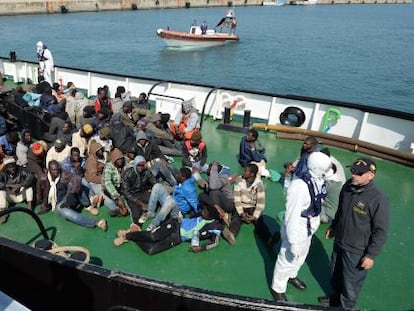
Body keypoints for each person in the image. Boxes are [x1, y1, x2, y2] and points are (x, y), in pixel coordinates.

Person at [318, 157, 389, 309]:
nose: (354, 175)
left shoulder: (378, 198)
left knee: (351, 285)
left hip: (357, 250)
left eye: (359, 173)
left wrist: (371, 255)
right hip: (340, 242)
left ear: (371, 175)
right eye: (353, 171)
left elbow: (380, 230)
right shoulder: (348, 187)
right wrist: (333, 226)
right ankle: (335, 299)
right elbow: (341, 210)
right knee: (336, 276)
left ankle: (346, 307)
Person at [270, 151, 332, 302]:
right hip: (296, 230)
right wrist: (293, 241)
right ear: (316, 169)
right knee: (286, 258)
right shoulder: (299, 187)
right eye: (325, 169)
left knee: (300, 256)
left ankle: (292, 275)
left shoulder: (318, 179)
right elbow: (291, 216)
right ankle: (277, 287)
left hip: (308, 228)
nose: (327, 172)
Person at [113, 193, 224, 255]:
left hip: (177, 238)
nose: (201, 212)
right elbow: (202, 196)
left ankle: (135, 234)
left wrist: (201, 248)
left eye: (204, 212)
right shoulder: (200, 215)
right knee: (153, 236)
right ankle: (126, 236)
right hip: (176, 225)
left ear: (210, 216)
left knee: (151, 250)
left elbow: (215, 242)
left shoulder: (215, 226)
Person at [46, 160, 107, 230]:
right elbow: (44, 192)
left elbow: (77, 179)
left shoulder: (63, 173)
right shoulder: (45, 178)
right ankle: (96, 223)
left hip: (68, 197)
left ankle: (88, 205)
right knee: (61, 209)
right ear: (49, 170)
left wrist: (71, 196)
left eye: (57, 169)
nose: (56, 172)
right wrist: (44, 206)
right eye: (53, 170)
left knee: (75, 183)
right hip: (59, 203)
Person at [138, 167, 199, 231]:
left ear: (183, 177)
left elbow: (195, 203)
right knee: (157, 186)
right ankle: (151, 212)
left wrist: (198, 215)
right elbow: (178, 189)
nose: (177, 175)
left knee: (170, 202)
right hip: (172, 201)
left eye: (179, 175)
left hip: (178, 212)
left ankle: (153, 225)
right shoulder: (183, 182)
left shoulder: (189, 189)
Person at [227, 163, 271, 244]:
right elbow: (237, 199)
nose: (243, 172)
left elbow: (260, 203)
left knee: (259, 221)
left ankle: (268, 239)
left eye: (245, 171)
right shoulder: (239, 180)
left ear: (252, 174)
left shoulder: (259, 185)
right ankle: (231, 234)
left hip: (252, 206)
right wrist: (241, 213)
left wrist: (254, 216)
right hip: (241, 205)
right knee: (236, 219)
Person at [121, 155, 156, 225]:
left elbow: (154, 182)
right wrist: (141, 203)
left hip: (142, 192)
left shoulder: (147, 172)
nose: (140, 167)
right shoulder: (127, 174)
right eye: (138, 165)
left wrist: (153, 189)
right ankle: (125, 209)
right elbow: (126, 192)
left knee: (156, 198)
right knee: (137, 216)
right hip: (132, 195)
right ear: (135, 165)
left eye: (142, 165)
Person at [0, 158, 35, 223]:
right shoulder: (3, 174)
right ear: (6, 168)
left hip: (21, 195)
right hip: (11, 196)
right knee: (1, 191)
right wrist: (10, 186)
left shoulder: (21, 170)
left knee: (29, 187)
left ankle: (30, 207)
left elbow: (31, 176)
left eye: (13, 166)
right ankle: (3, 212)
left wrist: (20, 185)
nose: (12, 168)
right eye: (10, 167)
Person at [101, 148, 129, 217]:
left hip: (120, 186)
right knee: (116, 201)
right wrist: (117, 197)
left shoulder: (125, 164)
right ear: (114, 160)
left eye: (121, 159)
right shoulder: (109, 166)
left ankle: (123, 208)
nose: (120, 161)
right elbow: (108, 183)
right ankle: (118, 209)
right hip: (109, 188)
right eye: (117, 159)